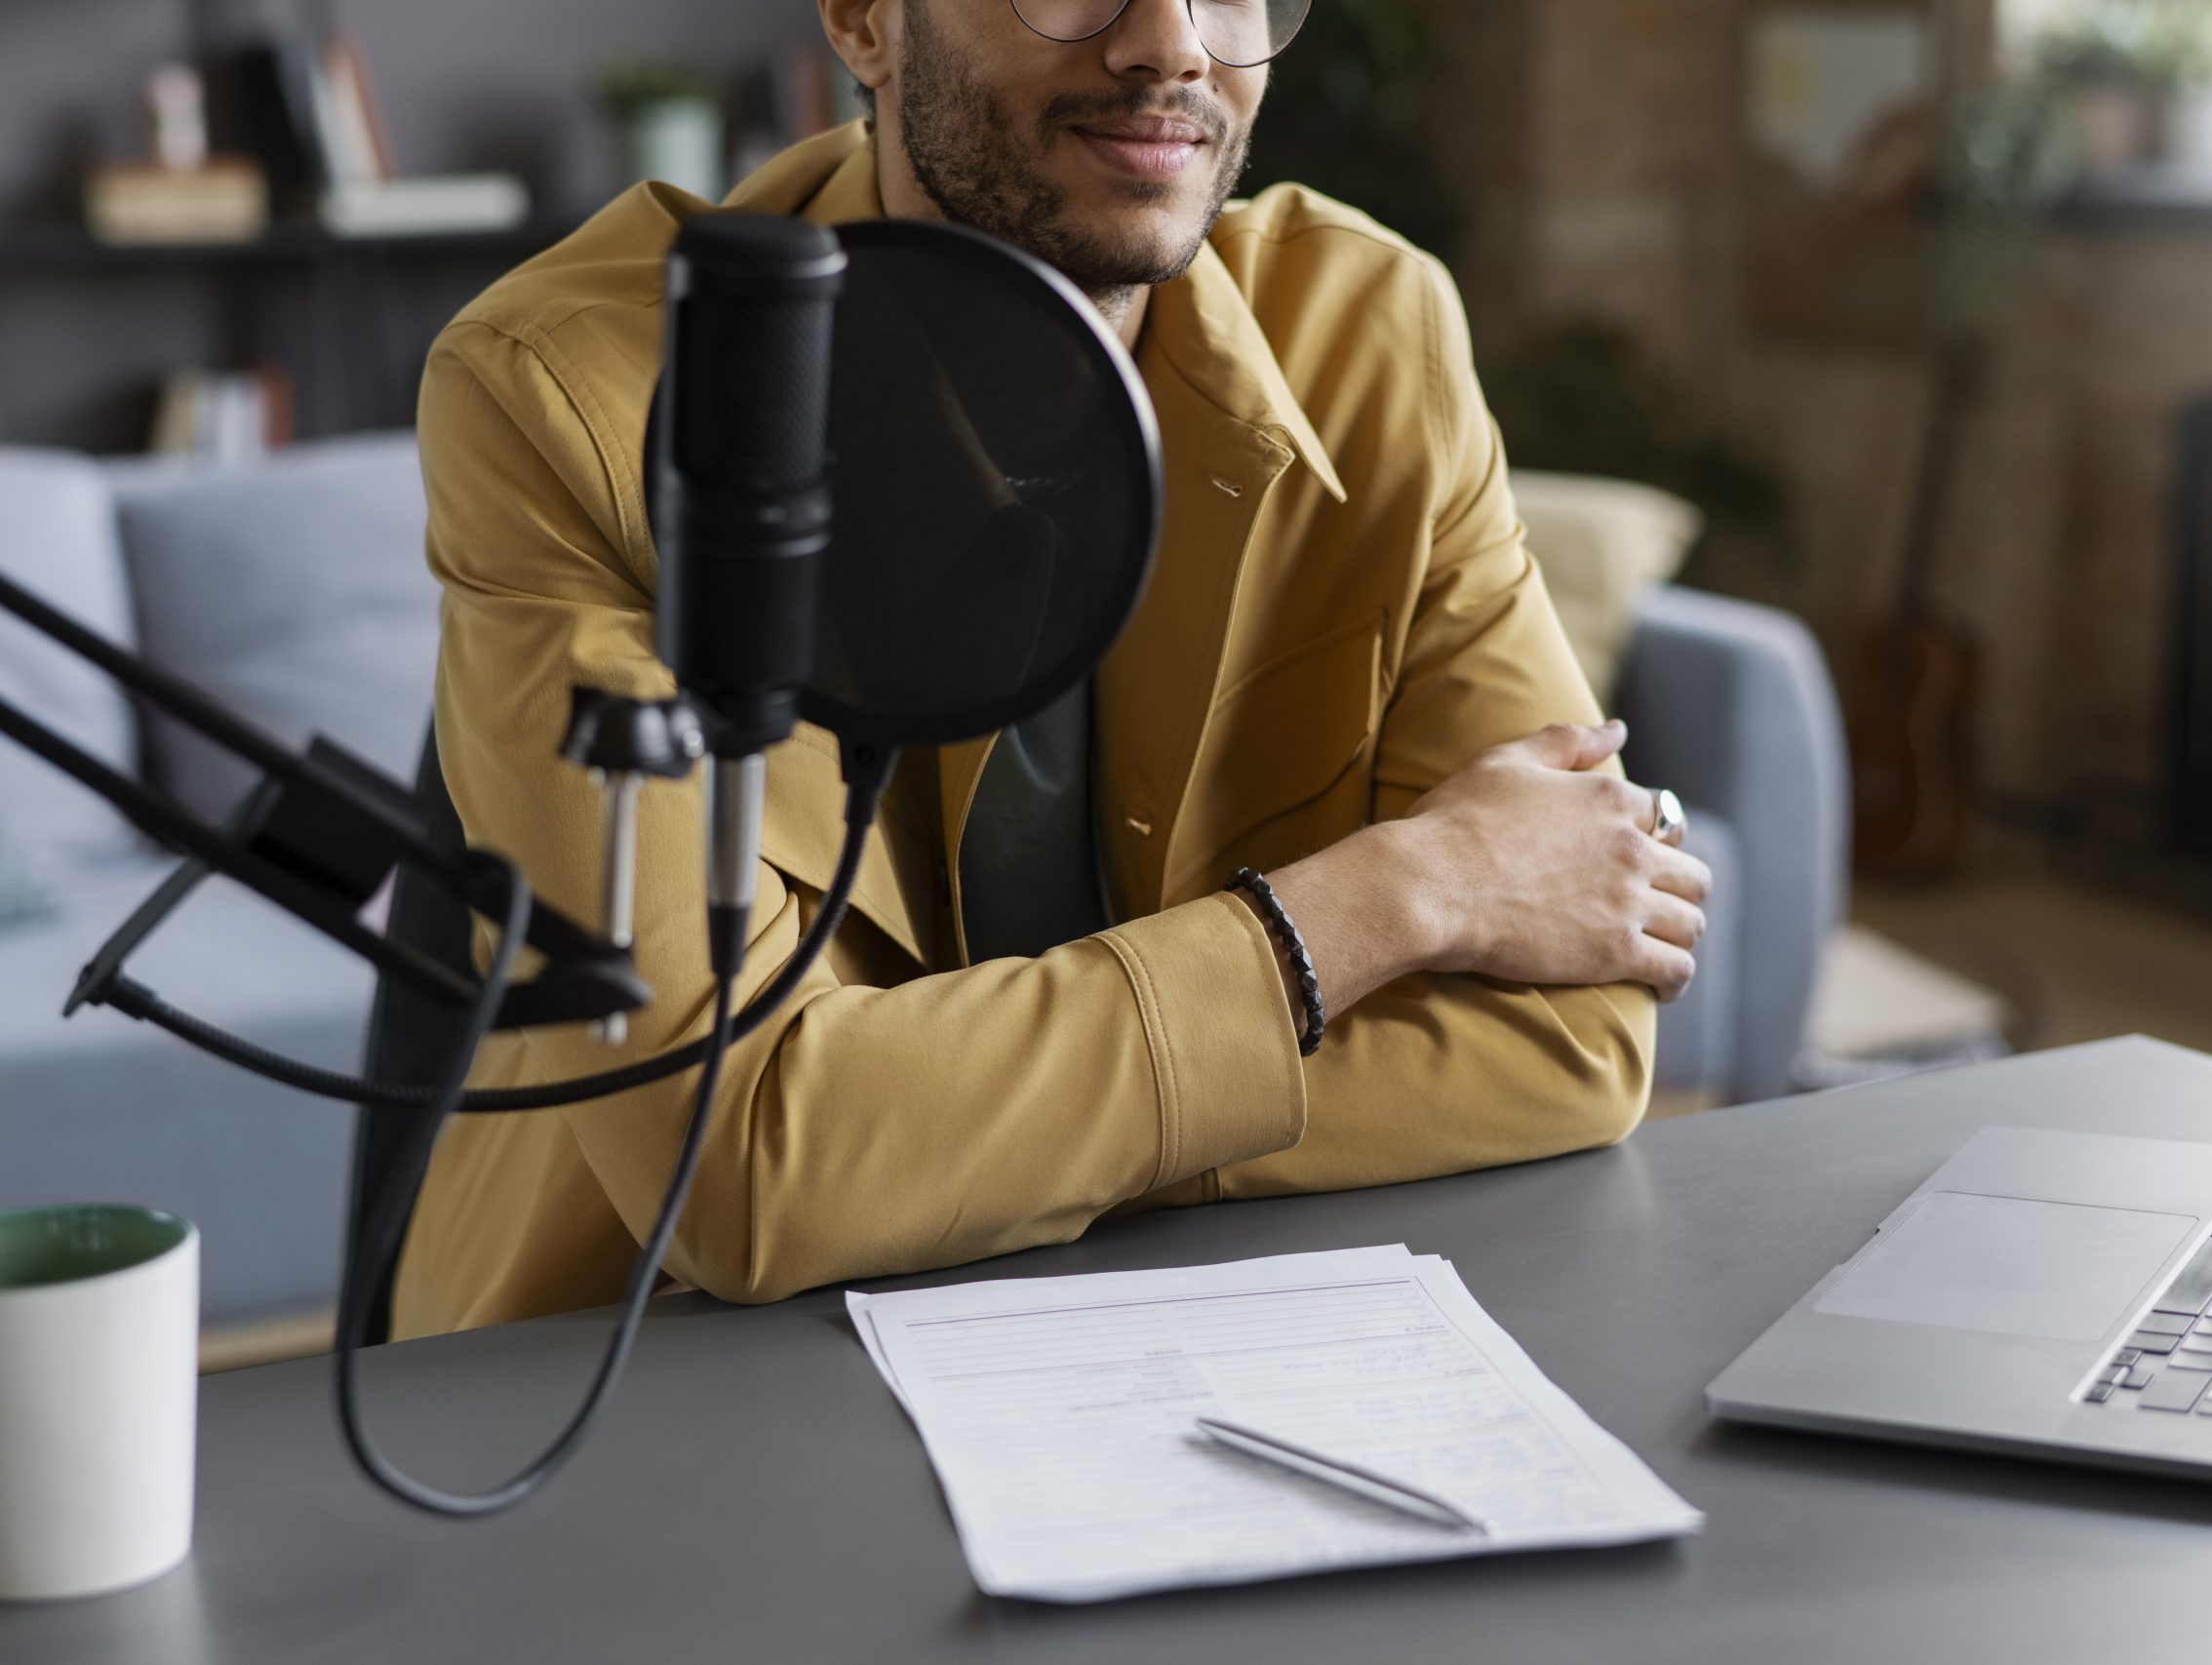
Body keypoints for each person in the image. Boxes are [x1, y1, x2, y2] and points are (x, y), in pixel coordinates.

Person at [393, 0, 1713, 1338]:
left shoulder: (1374, 332)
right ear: (862, 19)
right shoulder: (573, 395)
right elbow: (737, 1168)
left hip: (1180, 1353)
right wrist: (1403, 895)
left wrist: (949, 1156)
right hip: (645, 1377)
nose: (1173, 43)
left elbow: (1572, 1043)